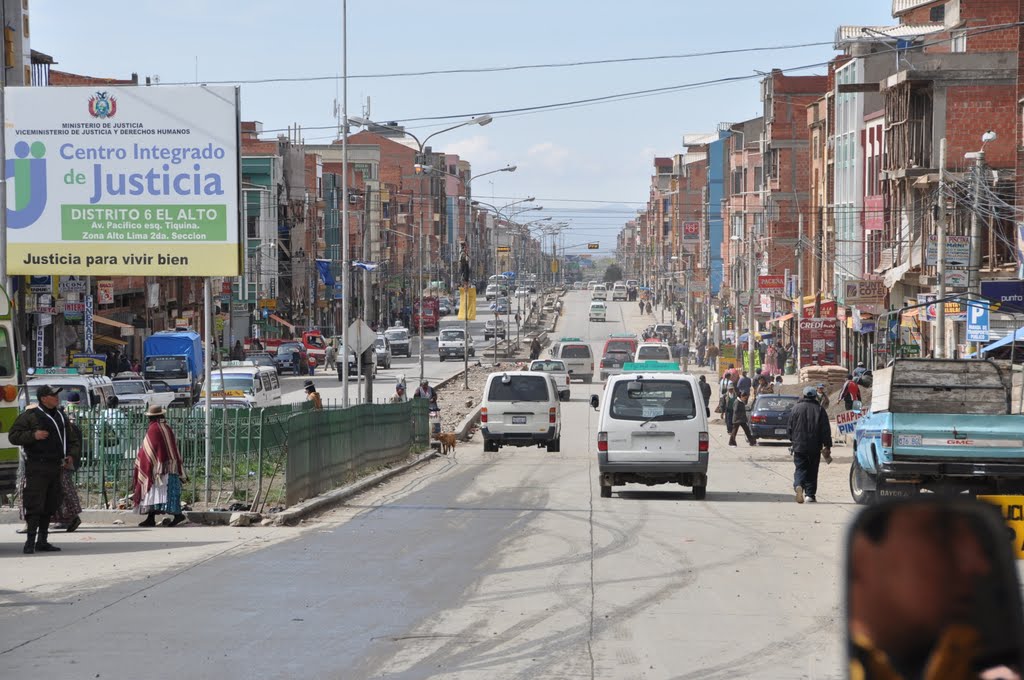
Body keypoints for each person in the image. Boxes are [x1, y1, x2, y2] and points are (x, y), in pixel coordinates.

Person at [10, 385, 73, 553]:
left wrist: (71, 455)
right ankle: (30, 541)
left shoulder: (60, 415)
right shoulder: (30, 416)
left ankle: (42, 541)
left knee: (50, 503)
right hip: (37, 466)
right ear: (44, 398)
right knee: (35, 504)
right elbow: (13, 436)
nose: (57, 397)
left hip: (55, 466)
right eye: (53, 395)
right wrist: (33, 436)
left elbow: (72, 438)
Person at [132, 405, 188, 527]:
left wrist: (142, 461)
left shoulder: (154, 429)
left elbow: (148, 450)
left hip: (158, 469)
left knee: (157, 492)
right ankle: (151, 517)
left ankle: (178, 515)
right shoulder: (166, 427)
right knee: (157, 493)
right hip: (168, 466)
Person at [787, 386, 833, 503]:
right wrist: (827, 445)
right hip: (814, 446)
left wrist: (793, 440)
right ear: (814, 396)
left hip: (799, 446)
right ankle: (810, 495)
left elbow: (789, 428)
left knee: (800, 468)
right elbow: (825, 430)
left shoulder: (796, 408)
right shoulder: (820, 409)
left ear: (804, 395)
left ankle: (799, 485)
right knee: (812, 470)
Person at [50, 392, 84, 533]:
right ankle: (65, 518)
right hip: (64, 463)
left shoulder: (64, 429)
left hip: (62, 464)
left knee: (62, 492)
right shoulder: (68, 427)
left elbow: (71, 446)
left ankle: (69, 518)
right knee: (63, 492)